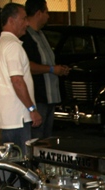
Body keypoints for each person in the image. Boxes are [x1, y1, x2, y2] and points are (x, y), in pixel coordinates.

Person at [0, 3, 42, 155]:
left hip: (6, 115)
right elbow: (17, 81)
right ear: (11, 20)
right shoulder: (13, 46)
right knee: (21, 159)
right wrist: (32, 109)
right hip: (18, 115)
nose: (27, 23)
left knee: (10, 158)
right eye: (24, 19)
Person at [22, 0, 70, 138]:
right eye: (46, 12)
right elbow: (27, 66)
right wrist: (51, 69)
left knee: (46, 137)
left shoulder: (41, 35)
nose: (48, 16)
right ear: (38, 13)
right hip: (38, 97)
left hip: (49, 97)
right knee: (37, 138)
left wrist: (58, 69)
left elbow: (46, 60)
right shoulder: (26, 37)